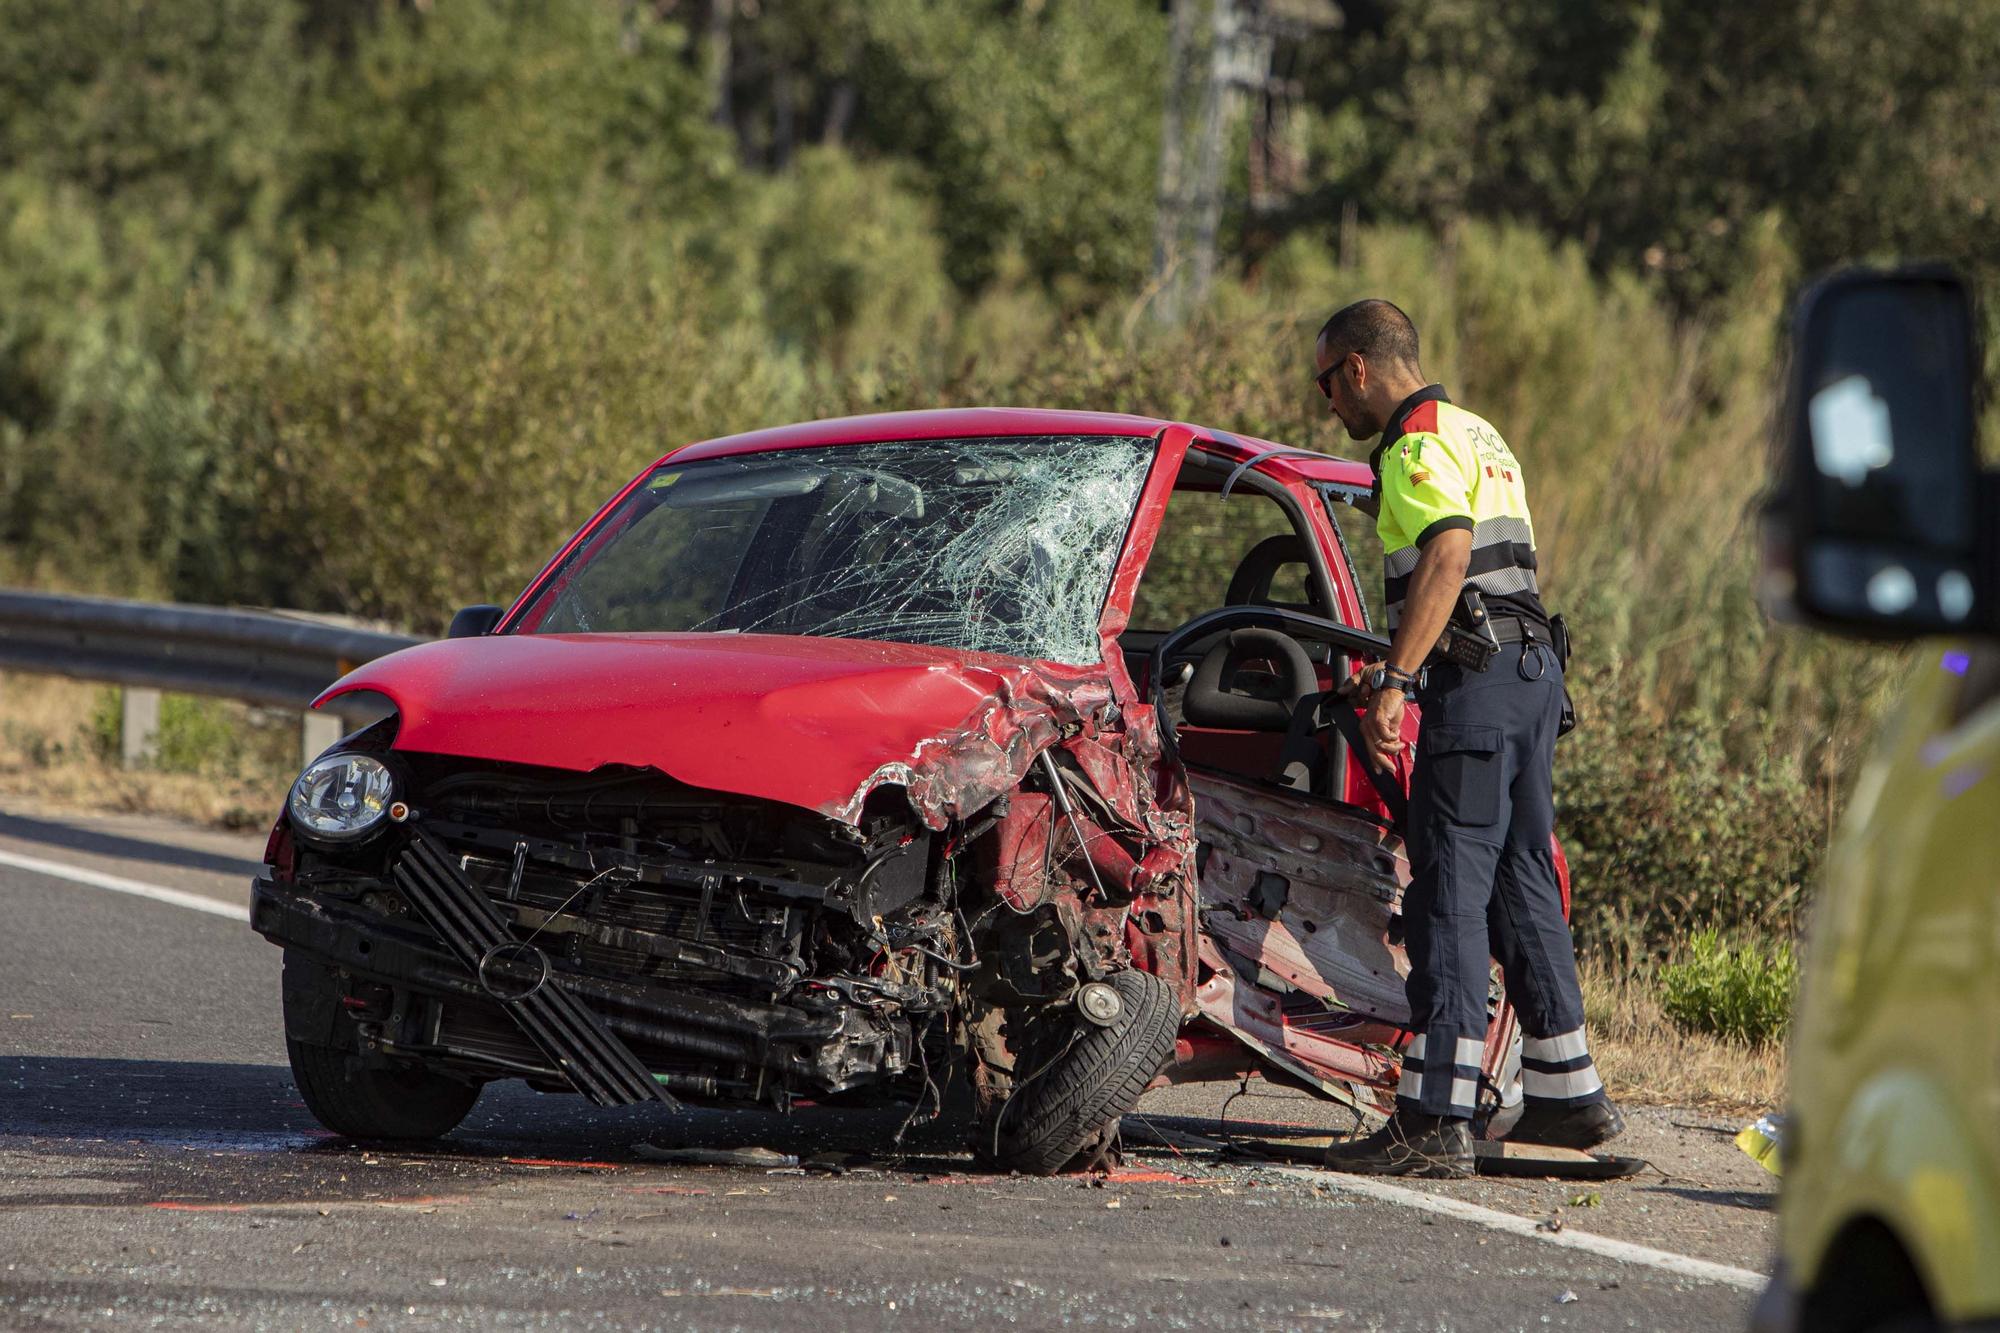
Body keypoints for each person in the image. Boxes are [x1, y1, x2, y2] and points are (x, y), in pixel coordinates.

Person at [1312, 299, 1623, 1178]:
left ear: (1361, 369)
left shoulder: (1412, 446)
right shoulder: (1481, 433)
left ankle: (1433, 1116)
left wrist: (1394, 684)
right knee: (1523, 872)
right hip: (1533, 679)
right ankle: (1568, 1095)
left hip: (1476, 682)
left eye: (1328, 383)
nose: (1329, 405)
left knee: (1449, 879)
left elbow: (1448, 557)